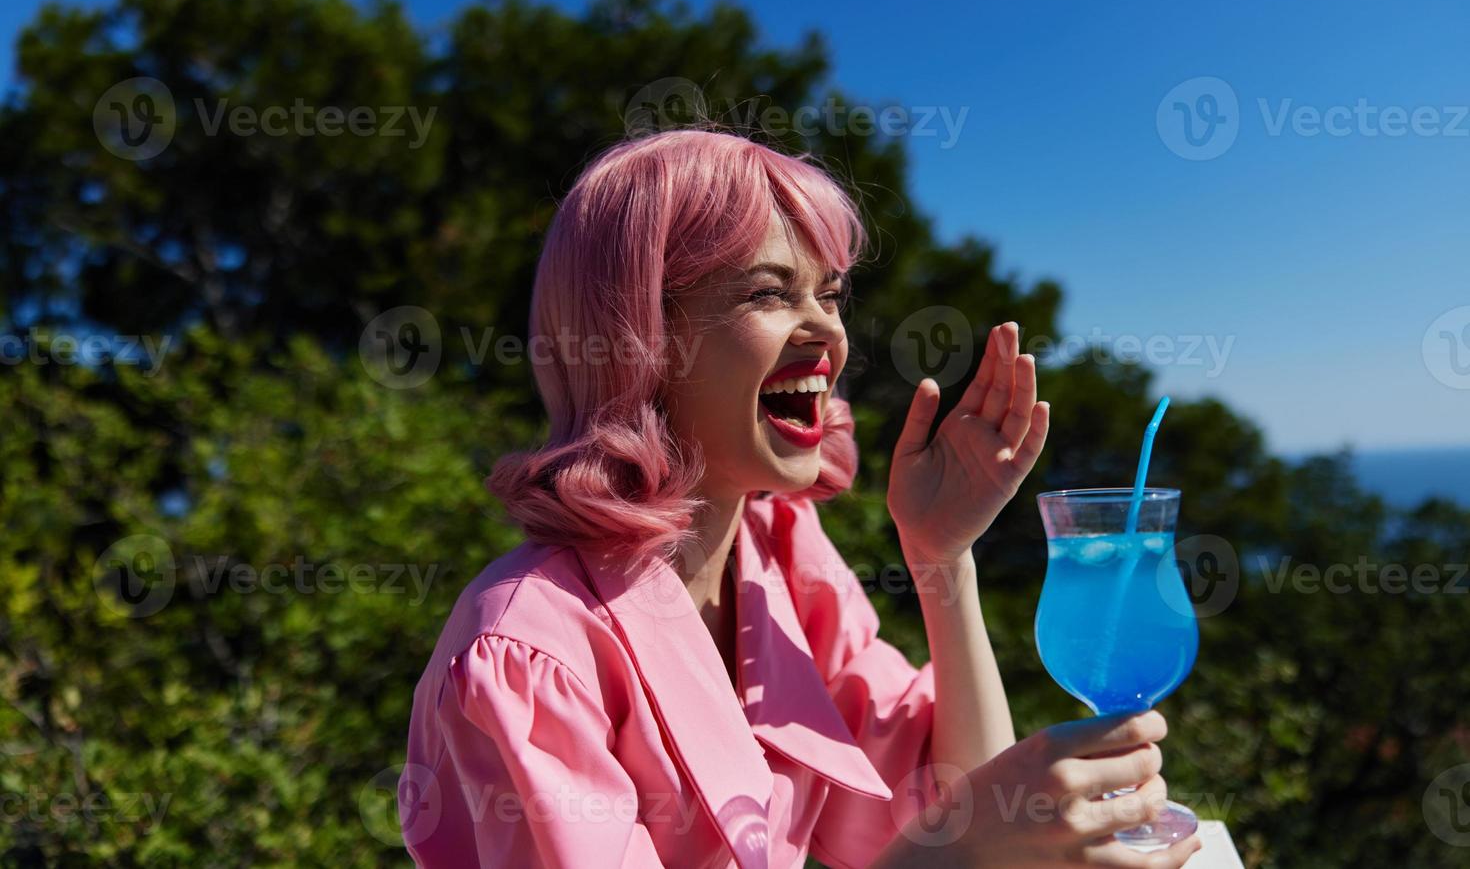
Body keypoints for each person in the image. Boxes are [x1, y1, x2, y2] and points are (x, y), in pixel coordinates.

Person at [398, 129, 1202, 868]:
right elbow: (957, 844)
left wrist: (940, 555)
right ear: (641, 335)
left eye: (832, 293)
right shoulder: (528, 654)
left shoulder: (781, 552)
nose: (827, 331)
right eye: (768, 294)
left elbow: (950, 797)